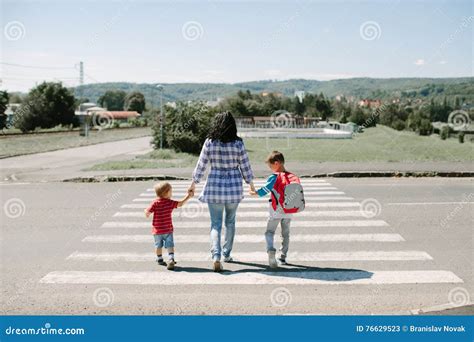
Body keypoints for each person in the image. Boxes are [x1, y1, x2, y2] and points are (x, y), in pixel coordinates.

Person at [189, 111, 255, 272]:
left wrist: (193, 183)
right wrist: (250, 184)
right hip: (233, 188)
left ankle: (216, 256)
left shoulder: (210, 142)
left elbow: (201, 164)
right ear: (233, 126)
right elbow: (245, 165)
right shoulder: (238, 143)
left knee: (215, 224)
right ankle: (227, 254)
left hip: (214, 187)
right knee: (230, 222)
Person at [249, 151, 293, 268]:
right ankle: (283, 257)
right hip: (289, 210)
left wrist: (255, 193)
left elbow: (266, 189)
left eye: (270, 166)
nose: (270, 169)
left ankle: (271, 250)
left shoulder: (274, 177)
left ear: (276, 163)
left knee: (269, 232)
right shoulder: (291, 176)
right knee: (286, 234)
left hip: (276, 210)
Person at [144, 181, 193, 270]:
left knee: (158, 245)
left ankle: (159, 259)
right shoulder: (169, 202)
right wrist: (188, 197)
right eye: (171, 191)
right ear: (166, 193)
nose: (172, 193)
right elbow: (180, 203)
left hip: (157, 231)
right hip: (167, 230)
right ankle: (171, 258)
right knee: (170, 245)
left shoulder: (155, 203)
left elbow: (148, 211)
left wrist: (146, 212)